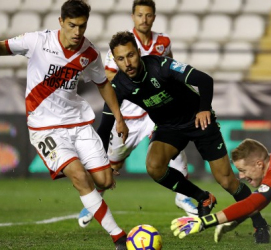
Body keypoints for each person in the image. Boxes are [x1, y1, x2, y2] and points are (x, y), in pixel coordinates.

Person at [0, 1, 129, 249]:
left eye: (82, 26)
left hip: (78, 122)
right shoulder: (37, 41)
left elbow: (103, 83)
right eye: (72, 25)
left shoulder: (89, 53)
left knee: (104, 181)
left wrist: (119, 116)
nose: (77, 32)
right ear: (60, 22)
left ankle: (87, 190)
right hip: (45, 127)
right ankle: (119, 237)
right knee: (80, 177)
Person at [103, 31, 270, 243]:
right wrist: (103, 157)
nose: (127, 63)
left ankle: (260, 224)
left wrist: (204, 109)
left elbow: (204, 80)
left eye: (130, 55)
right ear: (115, 61)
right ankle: (203, 197)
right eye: (120, 58)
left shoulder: (161, 66)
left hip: (198, 120)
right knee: (154, 167)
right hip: (169, 127)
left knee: (227, 180)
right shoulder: (119, 84)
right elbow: (105, 123)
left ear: (138, 52)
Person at [78, 0, 197, 228]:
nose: (144, 19)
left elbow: (170, 66)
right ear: (133, 16)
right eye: (140, 15)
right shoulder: (123, 46)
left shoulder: (163, 41)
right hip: (130, 113)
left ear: (154, 17)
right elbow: (110, 80)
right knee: (113, 163)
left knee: (175, 148)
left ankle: (183, 197)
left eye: (148, 15)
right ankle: (96, 197)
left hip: (156, 111)